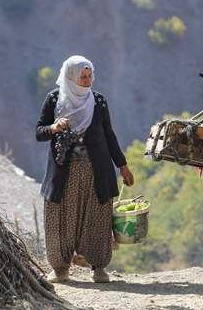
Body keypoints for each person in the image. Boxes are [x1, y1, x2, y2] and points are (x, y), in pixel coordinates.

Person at [36, 55, 134, 282]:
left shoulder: (98, 102)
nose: (88, 81)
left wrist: (123, 165)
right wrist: (53, 127)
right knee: (60, 217)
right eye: (83, 77)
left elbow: (109, 135)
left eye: (90, 76)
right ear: (70, 77)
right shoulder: (54, 100)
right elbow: (39, 132)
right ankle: (60, 269)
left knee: (97, 217)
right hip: (64, 172)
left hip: (96, 170)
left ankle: (98, 267)